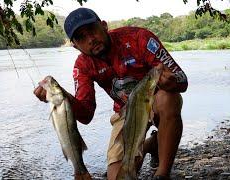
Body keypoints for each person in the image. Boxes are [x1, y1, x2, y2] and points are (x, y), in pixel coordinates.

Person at [34, 8, 188, 180]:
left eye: (92, 30)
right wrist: (61, 96)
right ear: (75, 46)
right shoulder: (83, 65)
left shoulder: (139, 38)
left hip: (155, 103)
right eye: (81, 38)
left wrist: (173, 81)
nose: (90, 39)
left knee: (167, 98)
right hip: (125, 112)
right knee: (117, 177)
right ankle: (149, 145)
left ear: (104, 26)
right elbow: (86, 114)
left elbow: (183, 80)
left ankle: (162, 174)